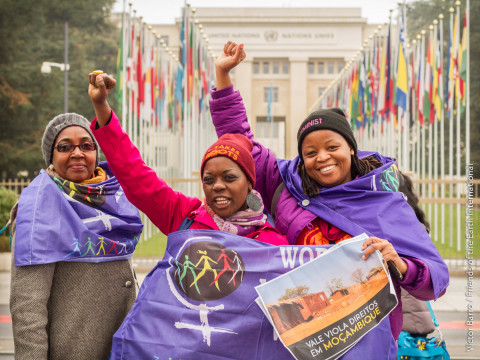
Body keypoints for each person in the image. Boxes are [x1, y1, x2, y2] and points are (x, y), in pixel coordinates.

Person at [208, 41, 449, 358]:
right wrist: (223, 76)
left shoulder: (385, 200)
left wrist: (399, 263)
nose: (322, 158)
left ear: (350, 147)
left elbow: (436, 279)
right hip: (299, 340)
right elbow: (238, 139)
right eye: (310, 152)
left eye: (332, 147)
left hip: (366, 342)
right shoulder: (285, 184)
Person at [87, 72, 289, 358]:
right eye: (209, 179)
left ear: (250, 182)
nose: (217, 185)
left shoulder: (277, 244)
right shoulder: (184, 216)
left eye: (229, 177)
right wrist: (102, 110)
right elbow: (135, 176)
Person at [9, 113, 144, 360]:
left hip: (122, 348)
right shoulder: (39, 208)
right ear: (51, 156)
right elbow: (28, 307)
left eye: (86, 145)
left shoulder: (111, 197)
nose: (78, 153)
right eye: (65, 147)